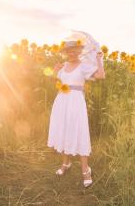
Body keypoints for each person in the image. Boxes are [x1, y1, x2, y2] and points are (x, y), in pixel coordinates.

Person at [47, 35, 105, 188]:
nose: (71, 53)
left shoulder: (84, 66)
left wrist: (99, 60)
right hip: (61, 100)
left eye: (74, 50)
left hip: (76, 101)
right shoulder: (63, 65)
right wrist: (55, 71)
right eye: (68, 51)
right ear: (65, 52)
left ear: (79, 51)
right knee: (63, 129)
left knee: (79, 131)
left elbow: (101, 76)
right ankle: (65, 163)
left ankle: (86, 169)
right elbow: (57, 81)